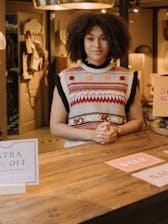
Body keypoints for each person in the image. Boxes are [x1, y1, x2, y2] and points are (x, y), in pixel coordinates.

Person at [50, 12, 143, 147]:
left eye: (104, 38)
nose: (97, 45)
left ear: (113, 41)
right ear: (81, 41)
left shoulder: (128, 78)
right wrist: (93, 135)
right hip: (78, 154)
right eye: (90, 38)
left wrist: (116, 130)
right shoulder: (66, 78)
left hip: (118, 151)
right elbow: (56, 127)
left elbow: (138, 121)